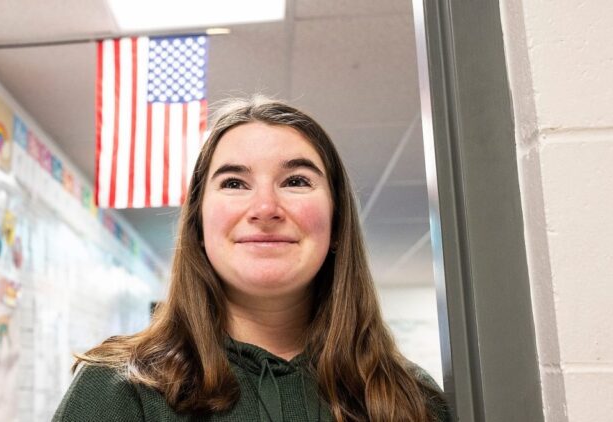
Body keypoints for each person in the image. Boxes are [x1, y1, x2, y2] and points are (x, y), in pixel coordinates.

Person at [53, 97, 449, 422]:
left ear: (337, 222)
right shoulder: (118, 389)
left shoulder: (412, 400)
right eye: (234, 183)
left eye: (296, 181)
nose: (265, 208)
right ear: (199, 227)